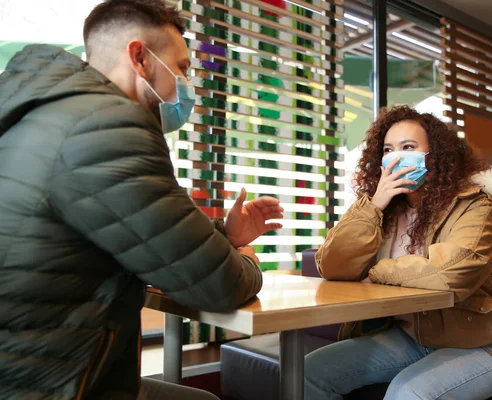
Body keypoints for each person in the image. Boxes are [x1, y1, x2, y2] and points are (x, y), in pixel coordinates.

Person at [0, 0, 284, 398]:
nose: (187, 85)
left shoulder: (44, 114)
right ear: (140, 58)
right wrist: (247, 261)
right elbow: (220, 285)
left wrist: (225, 233)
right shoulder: (108, 127)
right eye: (183, 68)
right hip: (48, 381)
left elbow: (135, 237)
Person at [305, 106, 492, 399]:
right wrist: (374, 205)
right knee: (308, 372)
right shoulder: (383, 209)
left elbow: (454, 272)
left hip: (480, 345)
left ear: (435, 154)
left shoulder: (473, 202)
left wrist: (379, 273)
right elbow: (332, 266)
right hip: (411, 338)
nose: (397, 157)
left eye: (408, 147)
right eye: (388, 150)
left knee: (406, 393)